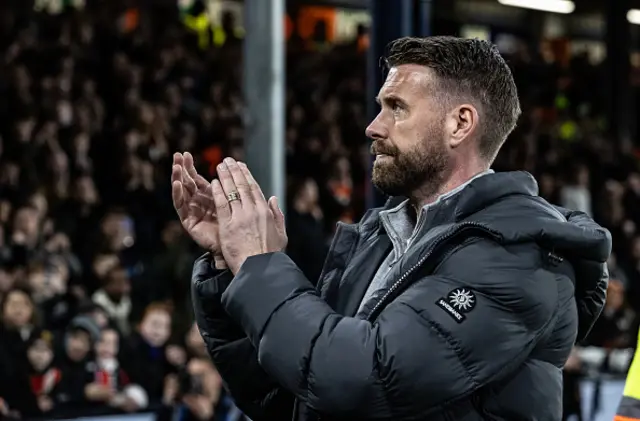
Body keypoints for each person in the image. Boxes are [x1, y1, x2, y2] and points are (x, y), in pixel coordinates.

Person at [175, 37, 612, 421]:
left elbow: (365, 379)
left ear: (460, 123)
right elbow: (295, 395)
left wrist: (261, 265)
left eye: (396, 108)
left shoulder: (520, 259)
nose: (374, 127)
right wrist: (231, 264)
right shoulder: (379, 238)